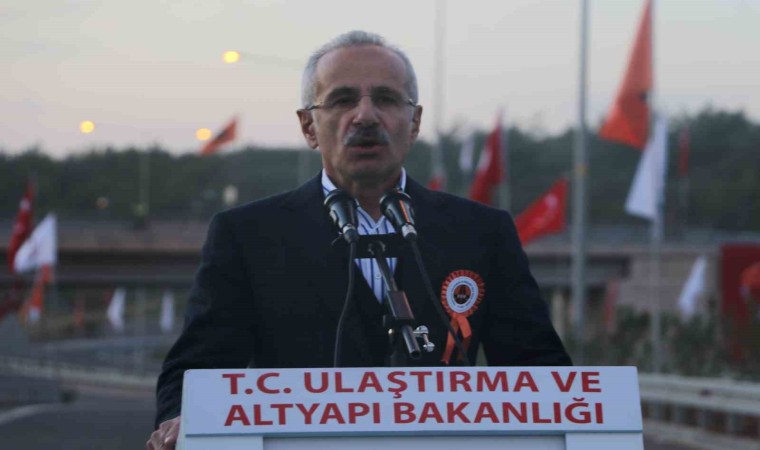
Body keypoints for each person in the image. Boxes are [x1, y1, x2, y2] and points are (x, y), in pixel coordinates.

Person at [147, 30, 571, 450]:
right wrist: (183, 419)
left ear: (414, 122)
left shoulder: (482, 231)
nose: (365, 116)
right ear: (309, 126)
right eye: (342, 100)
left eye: (386, 99)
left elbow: (539, 368)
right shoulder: (247, 236)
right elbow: (198, 367)